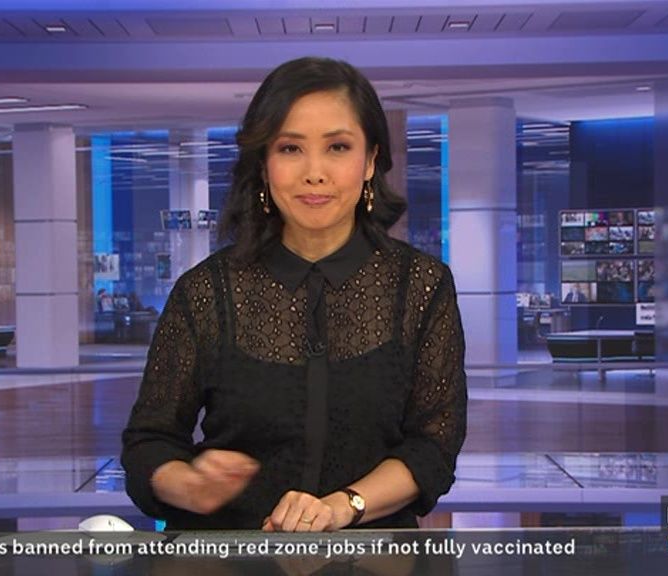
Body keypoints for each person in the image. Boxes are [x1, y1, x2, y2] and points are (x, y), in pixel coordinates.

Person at [121, 57, 467, 532]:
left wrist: (343, 506)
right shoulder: (205, 291)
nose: (314, 173)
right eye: (290, 149)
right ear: (263, 165)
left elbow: (433, 445)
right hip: (231, 557)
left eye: (338, 147)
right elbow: (149, 443)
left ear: (370, 161)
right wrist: (188, 484)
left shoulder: (422, 285)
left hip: (372, 557)